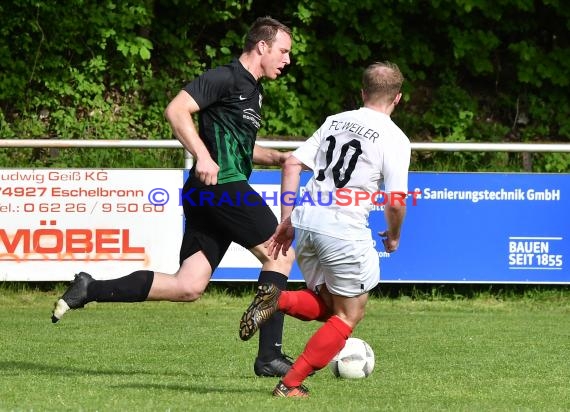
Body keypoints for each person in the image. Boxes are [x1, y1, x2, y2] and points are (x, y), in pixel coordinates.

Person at [51, 16, 296, 378]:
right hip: (221, 187)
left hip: (209, 192)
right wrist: (203, 156)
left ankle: (90, 288)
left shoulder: (254, 90)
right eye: (283, 51)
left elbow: (236, 144)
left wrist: (274, 157)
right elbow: (176, 110)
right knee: (281, 253)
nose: (287, 60)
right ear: (262, 46)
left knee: (188, 285)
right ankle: (269, 356)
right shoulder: (226, 77)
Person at [238, 61, 411, 397]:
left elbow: (291, 163)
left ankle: (278, 300)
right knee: (348, 315)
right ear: (398, 99)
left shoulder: (336, 121)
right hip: (343, 228)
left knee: (330, 305)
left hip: (307, 221)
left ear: (362, 92)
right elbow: (395, 201)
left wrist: (287, 219)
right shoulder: (395, 138)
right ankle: (290, 384)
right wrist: (394, 235)